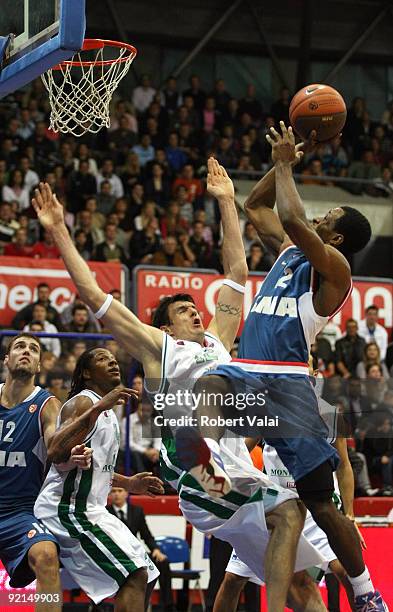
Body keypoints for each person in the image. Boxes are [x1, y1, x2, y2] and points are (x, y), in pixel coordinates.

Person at [31, 163, 324, 610]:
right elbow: (93, 295)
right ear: (165, 327)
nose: (195, 312)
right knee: (288, 510)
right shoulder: (159, 351)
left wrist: (226, 199)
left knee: (299, 581)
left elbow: (237, 271)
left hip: (237, 467)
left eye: (195, 307)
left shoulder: (218, 345)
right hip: (197, 472)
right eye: (184, 310)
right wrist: (57, 230)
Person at [174, 124, 386, 611]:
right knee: (205, 384)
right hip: (248, 371)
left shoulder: (334, 267)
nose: (317, 215)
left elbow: (291, 216)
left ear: (333, 235)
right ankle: (225, 472)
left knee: (321, 504)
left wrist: (289, 164)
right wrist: (285, 160)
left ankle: (364, 591)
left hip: (289, 386)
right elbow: (257, 207)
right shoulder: (291, 254)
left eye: (326, 215)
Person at [34, 348, 163, 609]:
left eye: (114, 359)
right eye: (103, 360)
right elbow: (55, 452)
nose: (113, 362)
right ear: (86, 373)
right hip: (66, 509)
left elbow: (97, 469)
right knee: (134, 574)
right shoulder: (83, 403)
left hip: (93, 510)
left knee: (148, 574)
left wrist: (129, 483)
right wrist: (97, 407)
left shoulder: (108, 412)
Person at [0, 333, 90, 609]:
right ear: (7, 359)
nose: (26, 351)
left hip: (20, 512)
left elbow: (55, 443)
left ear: (40, 364)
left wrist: (70, 451)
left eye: (34, 349)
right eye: (20, 347)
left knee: (47, 556)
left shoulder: (47, 405)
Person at [108, 487, 175, 612]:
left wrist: (156, 549)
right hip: (115, 555)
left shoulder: (137, 511)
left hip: (135, 554)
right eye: (113, 491)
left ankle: (168, 605)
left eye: (120, 491)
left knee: (162, 562)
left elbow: (146, 535)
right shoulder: (105, 513)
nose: (116, 494)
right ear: (109, 494)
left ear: (126, 493)